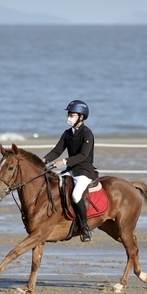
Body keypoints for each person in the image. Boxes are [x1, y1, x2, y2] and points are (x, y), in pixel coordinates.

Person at [42, 100, 97, 242]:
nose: (69, 118)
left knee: (76, 195)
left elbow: (83, 155)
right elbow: (56, 151)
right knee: (54, 187)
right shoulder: (67, 134)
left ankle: (85, 228)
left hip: (84, 171)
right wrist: (43, 160)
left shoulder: (87, 134)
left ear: (81, 117)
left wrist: (65, 161)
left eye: (72, 115)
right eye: (69, 115)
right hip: (70, 170)